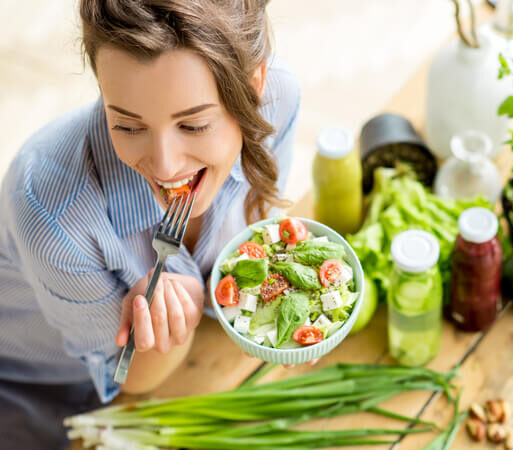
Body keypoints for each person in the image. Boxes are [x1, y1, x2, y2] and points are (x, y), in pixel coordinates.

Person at [0, 1, 300, 448]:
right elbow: (130, 380)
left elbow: (250, 242)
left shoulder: (279, 99)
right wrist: (178, 316)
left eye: (194, 125)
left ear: (254, 87)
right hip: (35, 395)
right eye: (127, 125)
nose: (163, 165)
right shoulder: (48, 209)